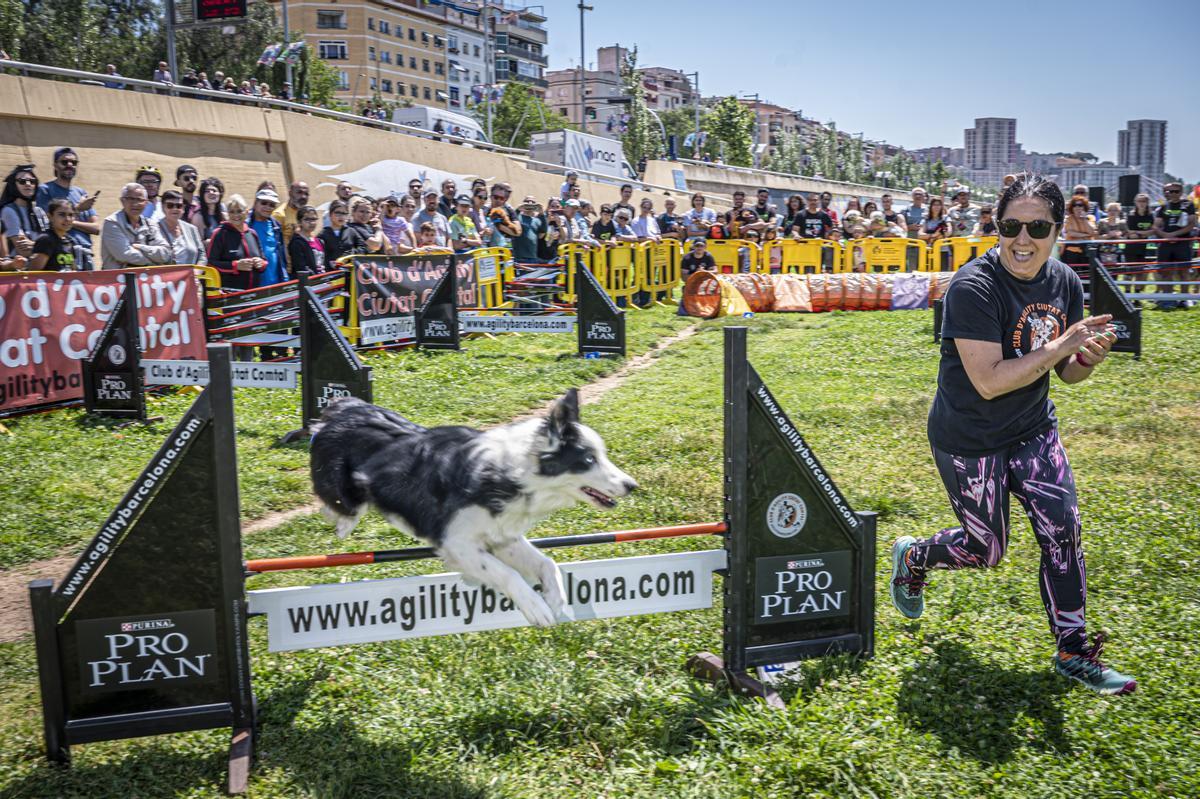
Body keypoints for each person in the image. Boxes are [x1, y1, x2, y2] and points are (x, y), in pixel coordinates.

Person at [890, 173, 1136, 696]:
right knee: (986, 550)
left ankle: (1073, 651)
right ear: (996, 226)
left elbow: (1066, 373)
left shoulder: (1064, 282)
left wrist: (1086, 358)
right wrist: (1061, 345)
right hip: (969, 437)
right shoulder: (972, 287)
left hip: (1032, 429)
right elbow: (989, 380)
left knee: (1062, 528)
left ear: (1057, 231)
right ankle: (915, 556)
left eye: (1038, 227)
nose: (1023, 239)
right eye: (1010, 225)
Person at [36, 147, 99, 268]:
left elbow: (96, 228)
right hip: (61, 254)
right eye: (64, 162)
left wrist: (66, 220)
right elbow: (46, 222)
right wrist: (78, 209)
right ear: (55, 165)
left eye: (74, 162)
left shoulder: (81, 192)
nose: (69, 165)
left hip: (86, 254)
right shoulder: (45, 190)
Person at [100, 183, 171, 268]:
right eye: (130, 199)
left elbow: (165, 252)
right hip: (117, 279)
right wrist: (153, 263)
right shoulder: (112, 223)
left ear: (146, 203)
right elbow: (124, 254)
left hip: (147, 279)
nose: (135, 203)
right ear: (122, 201)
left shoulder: (151, 225)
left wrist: (141, 247)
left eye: (139, 200)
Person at [207, 194, 266, 290]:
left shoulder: (252, 233)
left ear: (246, 212)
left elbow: (264, 260)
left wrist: (261, 263)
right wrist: (235, 266)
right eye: (232, 212)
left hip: (254, 294)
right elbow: (211, 264)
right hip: (230, 296)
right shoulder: (220, 234)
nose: (236, 215)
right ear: (227, 214)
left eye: (239, 211)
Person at [1152, 182, 1196, 305]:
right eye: (1169, 191)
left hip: (1182, 243)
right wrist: (1166, 235)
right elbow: (1156, 226)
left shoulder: (1188, 205)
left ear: (1181, 192)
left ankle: (1184, 298)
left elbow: (1192, 224)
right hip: (1166, 243)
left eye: (1175, 191)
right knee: (1165, 271)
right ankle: (1167, 299)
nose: (1172, 194)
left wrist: (1175, 234)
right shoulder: (1162, 207)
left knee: (1184, 271)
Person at [1, 164, 50, 258]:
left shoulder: (39, 211)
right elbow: (23, 251)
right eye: (22, 181)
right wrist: (45, 247)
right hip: (20, 269)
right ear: (13, 185)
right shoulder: (9, 211)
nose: (28, 184)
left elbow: (53, 242)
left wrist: (34, 245)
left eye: (32, 181)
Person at [248, 189, 288, 285]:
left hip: (276, 283)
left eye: (272, 205)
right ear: (256, 202)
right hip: (254, 285)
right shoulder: (246, 225)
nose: (268, 207)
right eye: (264, 203)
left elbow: (281, 255)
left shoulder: (276, 227)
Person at [29, 199, 82, 271]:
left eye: (71, 215)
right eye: (62, 214)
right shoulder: (46, 240)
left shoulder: (70, 241)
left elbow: (73, 271)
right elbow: (34, 273)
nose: (67, 219)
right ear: (50, 216)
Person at [157, 190, 206, 265]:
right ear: (163, 207)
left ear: (183, 208)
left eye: (179, 206)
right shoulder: (154, 229)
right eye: (170, 205)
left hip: (190, 275)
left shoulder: (192, 229)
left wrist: (197, 272)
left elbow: (202, 255)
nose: (175, 209)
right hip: (165, 275)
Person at [1123, 193, 1155, 290]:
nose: (1141, 203)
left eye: (1144, 201)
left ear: (1147, 203)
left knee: (1139, 273)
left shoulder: (1150, 216)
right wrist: (1144, 233)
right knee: (1129, 273)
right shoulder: (1131, 215)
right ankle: (1127, 293)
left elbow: (1152, 231)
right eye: (1139, 201)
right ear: (1135, 203)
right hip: (1131, 248)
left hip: (1143, 248)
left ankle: (1137, 295)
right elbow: (1131, 235)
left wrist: (1138, 233)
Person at [287, 206, 327, 274]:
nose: (311, 223)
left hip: (321, 280)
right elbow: (301, 267)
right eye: (307, 219)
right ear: (299, 222)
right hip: (306, 282)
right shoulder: (296, 243)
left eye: (314, 219)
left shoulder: (320, 241)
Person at [1059, 195, 1095, 269]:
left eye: (1080, 205)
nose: (1077, 207)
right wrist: (1086, 235)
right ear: (1072, 208)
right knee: (1072, 274)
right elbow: (1071, 233)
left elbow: (1092, 232)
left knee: (1086, 274)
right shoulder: (1069, 219)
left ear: (1084, 207)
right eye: (1075, 205)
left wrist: (1084, 219)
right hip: (1071, 251)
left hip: (1086, 251)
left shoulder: (1090, 218)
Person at [511, 196, 545, 262]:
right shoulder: (518, 217)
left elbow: (543, 233)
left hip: (533, 257)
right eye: (527, 202)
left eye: (533, 202)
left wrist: (542, 214)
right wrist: (518, 210)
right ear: (523, 204)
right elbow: (511, 223)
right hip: (520, 257)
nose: (530, 204)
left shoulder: (536, 220)